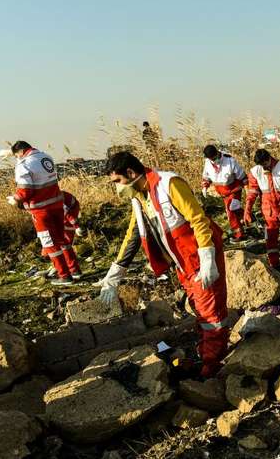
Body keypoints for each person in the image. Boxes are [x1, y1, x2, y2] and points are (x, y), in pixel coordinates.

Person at [96, 152, 229, 377]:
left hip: (199, 257)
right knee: (200, 311)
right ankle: (206, 354)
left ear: (131, 173)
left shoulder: (169, 184)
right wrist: (114, 275)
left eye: (117, 181)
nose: (117, 188)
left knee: (211, 314)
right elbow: (134, 235)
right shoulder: (139, 197)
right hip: (182, 262)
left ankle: (211, 369)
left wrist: (208, 258)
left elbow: (198, 219)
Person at [2, 141, 73, 286]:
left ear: (20, 153)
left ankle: (64, 276)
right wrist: (14, 153)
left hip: (41, 210)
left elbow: (25, 190)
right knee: (61, 239)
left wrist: (15, 199)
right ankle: (74, 270)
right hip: (57, 205)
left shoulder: (23, 164)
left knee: (50, 244)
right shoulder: (46, 156)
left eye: (16, 156)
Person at [200, 145, 247, 242]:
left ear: (217, 153)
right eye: (211, 159)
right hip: (222, 192)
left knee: (231, 210)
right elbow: (206, 177)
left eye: (214, 158)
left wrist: (247, 188)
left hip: (234, 189)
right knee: (235, 210)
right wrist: (205, 187)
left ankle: (239, 234)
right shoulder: (208, 163)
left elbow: (242, 176)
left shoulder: (229, 161)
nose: (213, 160)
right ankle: (247, 218)